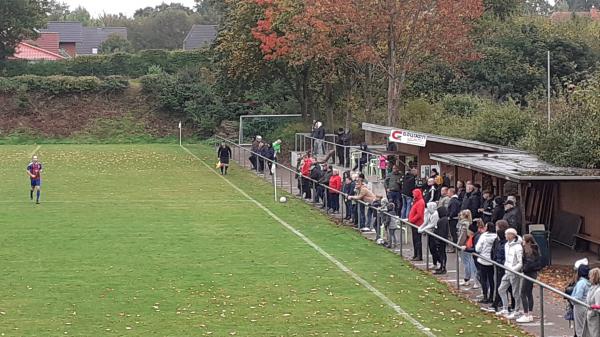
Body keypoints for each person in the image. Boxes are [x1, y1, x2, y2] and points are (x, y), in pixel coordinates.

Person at [497, 228, 523, 319]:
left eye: (507, 234)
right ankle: (505, 308)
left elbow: (520, 262)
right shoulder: (506, 245)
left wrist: (513, 269)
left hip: (514, 273)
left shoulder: (518, 247)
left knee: (515, 293)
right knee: (501, 289)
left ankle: (517, 311)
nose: (505, 236)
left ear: (512, 235)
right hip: (507, 271)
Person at [517, 234, 544, 323]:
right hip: (533, 273)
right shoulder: (536, 249)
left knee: (523, 293)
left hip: (529, 273)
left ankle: (526, 314)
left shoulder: (529, 251)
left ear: (527, 241)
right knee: (529, 293)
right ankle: (530, 313)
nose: (522, 242)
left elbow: (528, 263)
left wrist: (523, 269)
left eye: (524, 240)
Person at [488, 220, 510, 313]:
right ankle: (499, 303)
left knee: (503, 286)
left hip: (504, 266)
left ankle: (498, 304)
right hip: (498, 265)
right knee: (501, 286)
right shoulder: (497, 240)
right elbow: (494, 250)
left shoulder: (505, 242)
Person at [475, 222, 497, 304]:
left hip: (483, 259)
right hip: (492, 261)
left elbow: (478, 248)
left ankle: (485, 296)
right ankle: (491, 296)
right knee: (491, 279)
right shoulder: (496, 236)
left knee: (483, 279)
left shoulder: (483, 236)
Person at [458, 210, 477, 287]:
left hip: (465, 245)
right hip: (467, 245)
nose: (459, 216)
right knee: (468, 262)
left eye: (461, 215)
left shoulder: (464, 224)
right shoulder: (468, 223)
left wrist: (458, 245)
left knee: (467, 262)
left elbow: (463, 236)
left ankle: (467, 278)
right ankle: (468, 278)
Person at [419, 202, 440, 269]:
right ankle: (434, 263)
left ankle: (439, 262)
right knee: (431, 248)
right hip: (430, 233)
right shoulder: (429, 213)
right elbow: (426, 222)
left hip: (434, 233)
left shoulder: (435, 214)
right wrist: (421, 227)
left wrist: (423, 229)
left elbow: (432, 224)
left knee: (434, 249)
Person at [572, 264, 591, 337]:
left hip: (579, 306)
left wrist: (571, 299)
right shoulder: (588, 282)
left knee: (580, 328)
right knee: (585, 328)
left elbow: (578, 297)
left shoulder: (581, 283)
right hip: (586, 305)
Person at [583, 268, 600, 337]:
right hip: (590, 316)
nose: (589, 277)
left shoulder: (598, 291)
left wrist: (594, 307)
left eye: (590, 276)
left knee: (594, 334)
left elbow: (598, 306)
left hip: (595, 318)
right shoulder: (592, 288)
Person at [409, 189, 425, 261]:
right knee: (415, 239)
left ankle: (419, 255)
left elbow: (419, 214)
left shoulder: (420, 202)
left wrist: (412, 220)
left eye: (414, 193)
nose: (413, 195)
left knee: (417, 240)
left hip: (417, 223)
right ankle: (416, 254)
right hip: (414, 223)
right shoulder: (416, 201)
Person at [433, 206, 449, 274]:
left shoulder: (443, 220)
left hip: (441, 239)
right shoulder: (444, 219)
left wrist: (438, 240)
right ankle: (442, 266)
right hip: (441, 239)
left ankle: (443, 267)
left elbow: (442, 231)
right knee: (441, 253)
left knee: (442, 253)